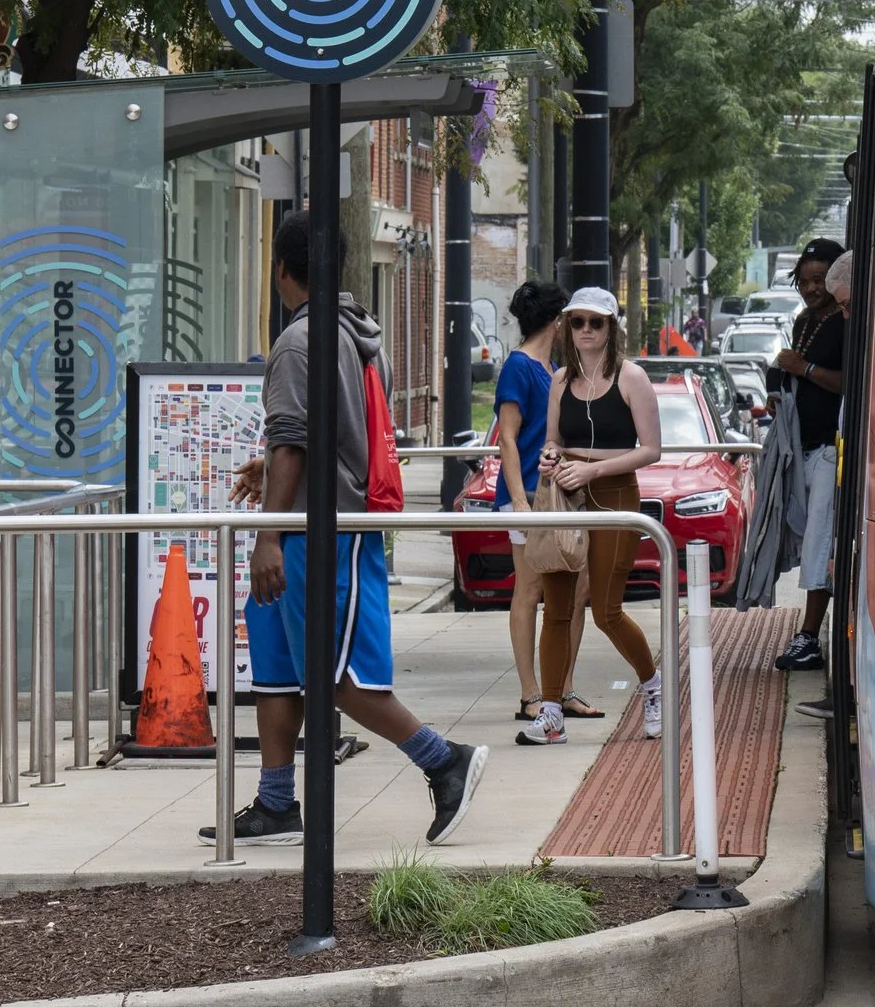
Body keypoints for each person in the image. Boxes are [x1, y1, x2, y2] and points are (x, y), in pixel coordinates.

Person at [203, 212, 485, 846]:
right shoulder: (351, 333)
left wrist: (269, 532)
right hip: (317, 521)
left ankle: (445, 761)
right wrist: (275, 466)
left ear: (281, 268)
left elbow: (298, 440)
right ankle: (277, 803)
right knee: (276, 670)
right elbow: (322, 437)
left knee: (336, 676)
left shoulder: (300, 342)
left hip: (317, 535)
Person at [521, 287, 667, 745]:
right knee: (556, 607)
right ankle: (551, 712)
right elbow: (552, 439)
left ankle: (653, 686)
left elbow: (651, 449)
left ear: (611, 328)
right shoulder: (560, 379)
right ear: (566, 326)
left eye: (596, 322)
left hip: (614, 493)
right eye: (577, 321)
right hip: (566, 494)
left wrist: (594, 468)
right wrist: (550, 458)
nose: (586, 330)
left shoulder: (631, 377)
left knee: (606, 610)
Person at [466, 279, 594, 730]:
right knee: (531, 589)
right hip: (527, 497)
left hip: (557, 495)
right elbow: (507, 437)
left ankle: (562, 689)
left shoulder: (553, 366)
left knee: (576, 592)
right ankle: (530, 693)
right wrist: (519, 501)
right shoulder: (519, 366)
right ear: (556, 320)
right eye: (570, 319)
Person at [772, 238, 846, 672]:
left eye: (820, 280)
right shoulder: (805, 321)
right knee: (808, 537)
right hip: (802, 447)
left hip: (830, 450)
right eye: (805, 280)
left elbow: (852, 383)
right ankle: (811, 634)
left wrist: (805, 370)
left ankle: (810, 636)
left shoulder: (846, 322)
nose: (811, 288)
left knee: (819, 541)